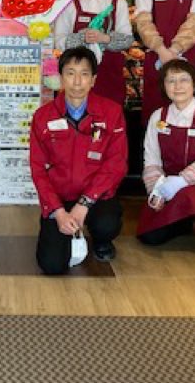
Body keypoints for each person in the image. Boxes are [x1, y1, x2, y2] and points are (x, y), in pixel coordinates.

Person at [30, 47, 128, 274]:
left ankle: (101, 240)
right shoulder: (43, 116)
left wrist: (84, 203)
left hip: (97, 196)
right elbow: (38, 169)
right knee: (52, 265)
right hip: (60, 198)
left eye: (84, 74)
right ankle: (65, 227)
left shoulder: (111, 112)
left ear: (93, 80)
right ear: (61, 78)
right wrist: (58, 211)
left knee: (106, 224)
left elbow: (116, 164)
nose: (77, 82)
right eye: (70, 73)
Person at [138, 59, 195, 251]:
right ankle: (181, 223)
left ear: (194, 84)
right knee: (150, 236)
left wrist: (180, 182)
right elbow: (151, 158)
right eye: (171, 81)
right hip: (167, 184)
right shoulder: (158, 116)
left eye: (184, 80)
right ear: (164, 86)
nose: (177, 86)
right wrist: (156, 190)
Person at [53, 0, 134, 107]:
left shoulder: (119, 3)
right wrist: (82, 38)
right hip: (77, 80)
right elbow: (59, 41)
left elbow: (127, 40)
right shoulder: (69, 4)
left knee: (109, 115)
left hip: (109, 77)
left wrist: (105, 38)